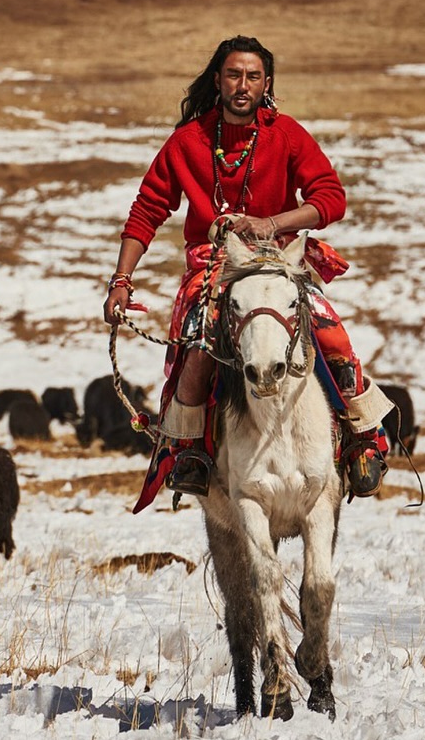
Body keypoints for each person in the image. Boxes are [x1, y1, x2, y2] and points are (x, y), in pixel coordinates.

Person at [104, 35, 388, 500]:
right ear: (217, 80)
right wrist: (121, 279)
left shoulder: (286, 134)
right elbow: (147, 210)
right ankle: (189, 447)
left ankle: (362, 435)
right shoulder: (187, 142)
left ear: (266, 83)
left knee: (327, 328)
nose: (243, 85)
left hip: (278, 259)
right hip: (212, 264)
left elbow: (330, 199)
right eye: (234, 75)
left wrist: (272, 223)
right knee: (200, 336)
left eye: (253, 76)